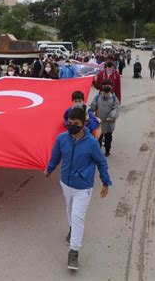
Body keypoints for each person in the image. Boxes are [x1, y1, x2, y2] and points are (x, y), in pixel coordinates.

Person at [44, 108, 112, 271]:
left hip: (83, 187)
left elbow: (101, 162)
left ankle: (74, 252)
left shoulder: (92, 143)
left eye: (76, 124)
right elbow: (55, 156)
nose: (71, 126)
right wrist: (50, 169)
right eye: (69, 123)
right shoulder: (61, 139)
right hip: (66, 184)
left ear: (83, 124)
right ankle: (72, 229)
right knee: (69, 211)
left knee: (77, 216)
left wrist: (105, 182)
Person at [90, 79, 120, 157]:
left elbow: (116, 108)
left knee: (108, 138)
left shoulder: (114, 99)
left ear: (111, 87)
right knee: (98, 137)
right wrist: (87, 111)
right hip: (99, 122)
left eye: (108, 85)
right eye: (104, 85)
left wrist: (112, 116)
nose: (106, 87)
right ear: (102, 87)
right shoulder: (97, 97)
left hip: (109, 123)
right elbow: (93, 106)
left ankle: (107, 150)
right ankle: (98, 151)